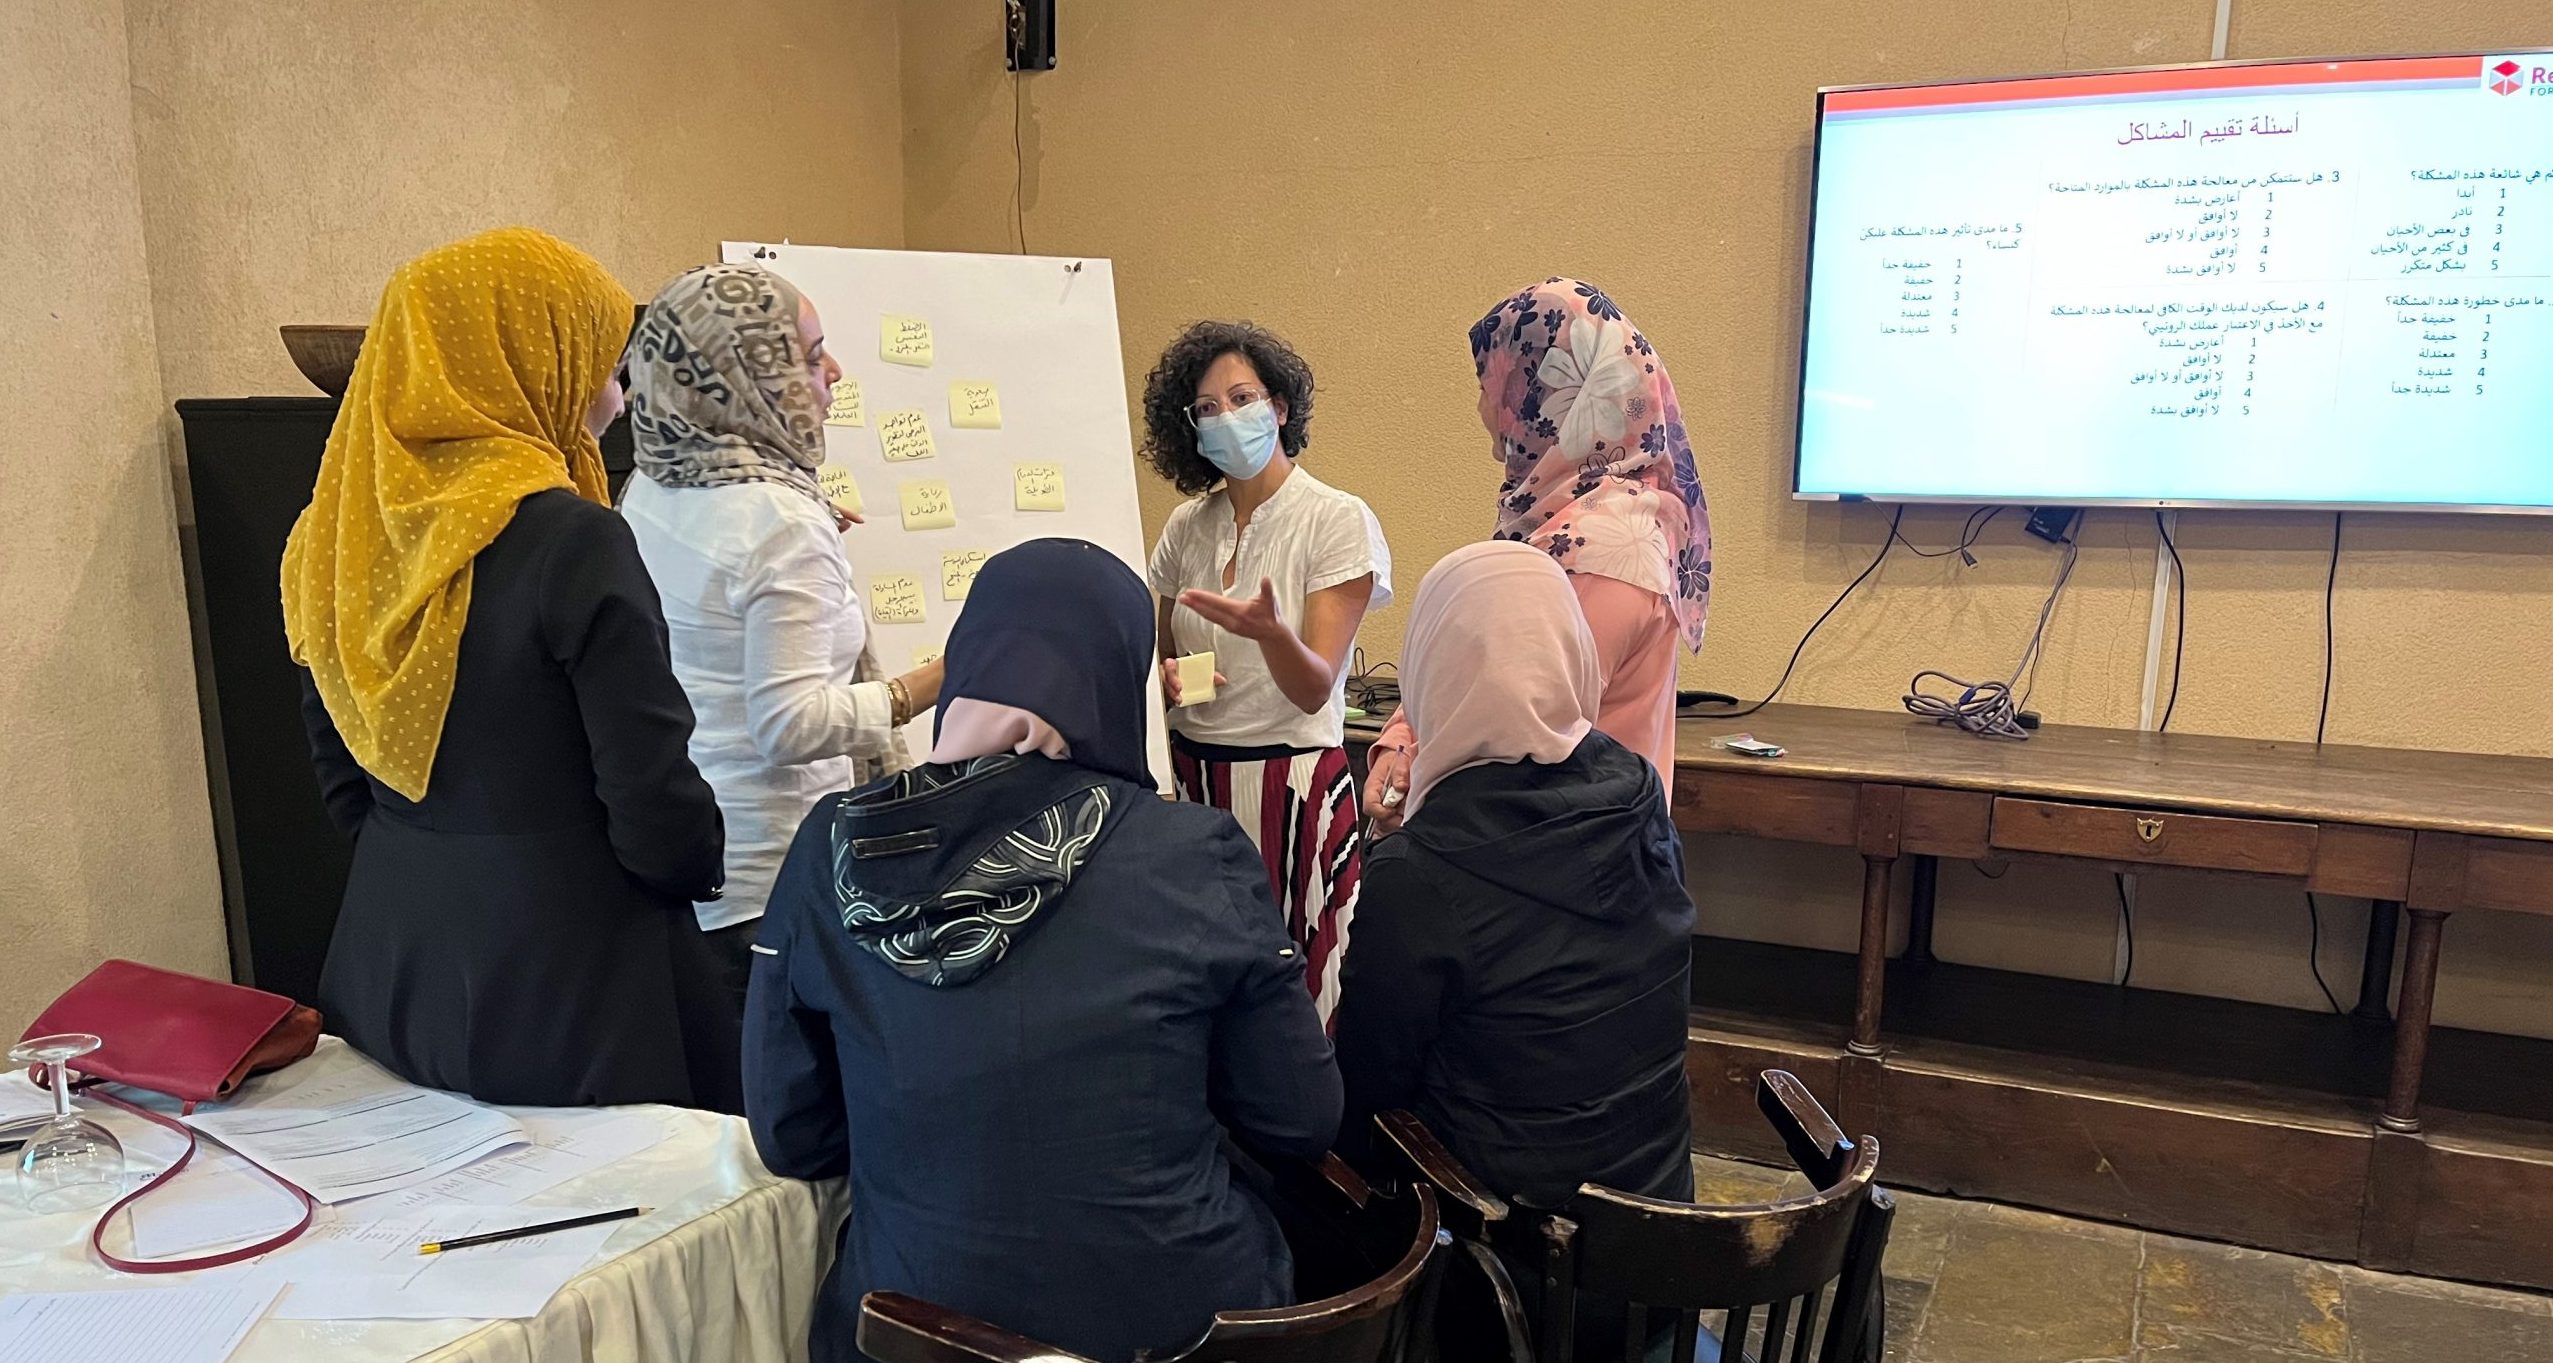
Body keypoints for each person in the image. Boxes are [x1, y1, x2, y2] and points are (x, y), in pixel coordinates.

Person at [744, 538, 1341, 1363]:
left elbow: (791, 1135)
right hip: (1173, 1328)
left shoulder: (830, 847)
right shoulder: (1192, 852)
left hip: (910, 1326)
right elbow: (1298, 1117)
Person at [284, 227, 738, 1112]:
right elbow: (652, 804)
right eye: (604, 365)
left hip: (387, 960)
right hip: (575, 977)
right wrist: (694, 879)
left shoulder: (332, 534)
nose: (614, 396)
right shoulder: (572, 540)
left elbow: (344, 774)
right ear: (528, 364)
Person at [1332, 542, 1694, 1336]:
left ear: (1432, 666)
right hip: (1668, 1249)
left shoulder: (1421, 872)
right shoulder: (1635, 792)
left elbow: (1366, 1092)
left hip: (1506, 1281)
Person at [620, 263, 942, 1002]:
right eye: (807, 354)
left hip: (694, 858)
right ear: (744, 374)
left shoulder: (656, 481)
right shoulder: (778, 518)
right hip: (774, 874)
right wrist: (931, 680)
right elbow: (789, 724)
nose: (832, 371)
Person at [1365, 277, 1711, 832]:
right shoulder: (1569, 517)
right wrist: (1401, 741)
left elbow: (1504, 725)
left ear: (1542, 397)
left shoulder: (1606, 548)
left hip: (1565, 869)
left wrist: (1411, 777)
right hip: (1557, 854)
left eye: (1491, 384)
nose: (1482, 406)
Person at [1140, 321, 1390, 1027]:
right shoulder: (1186, 526)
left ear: (1279, 406)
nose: (1227, 416)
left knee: (1306, 993)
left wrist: (1272, 635)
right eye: (1207, 407)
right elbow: (1169, 668)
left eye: (1242, 397)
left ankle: (1307, 1134)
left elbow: (1313, 685)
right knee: (1208, 986)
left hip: (1292, 781)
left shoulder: (1335, 518)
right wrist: (1181, 681)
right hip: (1194, 783)